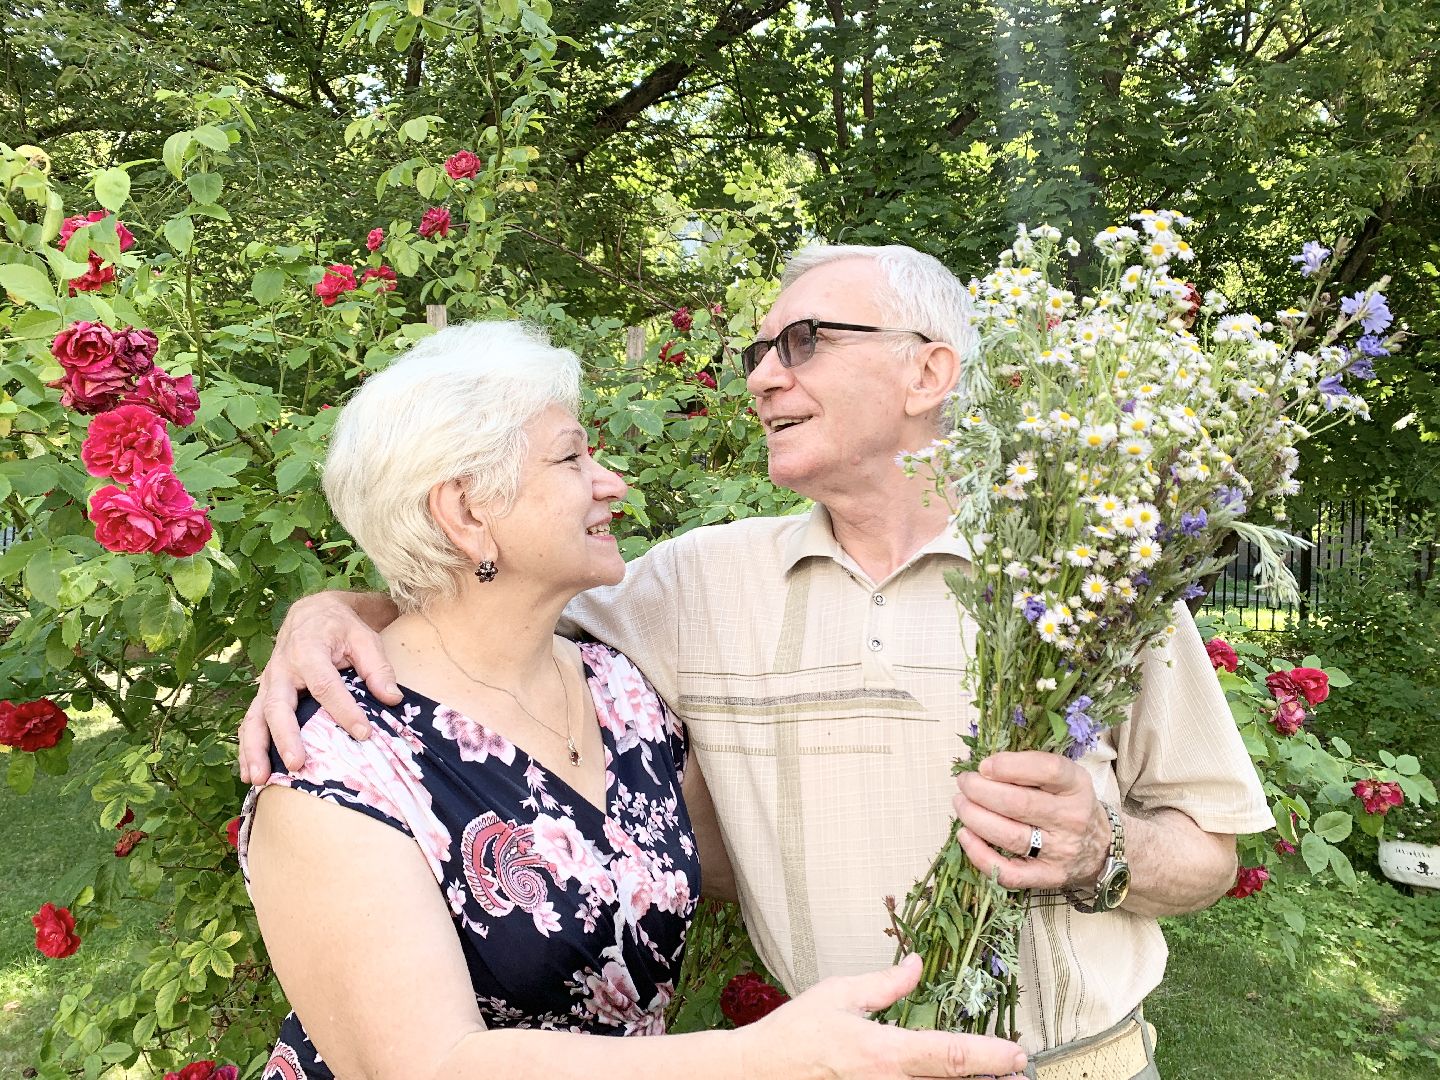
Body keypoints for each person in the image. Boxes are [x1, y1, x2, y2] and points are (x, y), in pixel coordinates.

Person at [241, 247, 1274, 1078]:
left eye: (805, 341)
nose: (764, 374)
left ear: (928, 372)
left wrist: (1104, 850)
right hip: (820, 1063)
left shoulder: (1088, 582)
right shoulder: (693, 587)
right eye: (758, 350)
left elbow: (1210, 852)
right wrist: (328, 615)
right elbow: (473, 605)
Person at [236, 319, 1028, 1080]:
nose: (611, 482)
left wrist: (1028, 839)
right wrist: (767, 1062)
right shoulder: (333, 762)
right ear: (466, 511)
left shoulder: (620, 692)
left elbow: (753, 855)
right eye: (571, 458)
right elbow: (427, 1067)